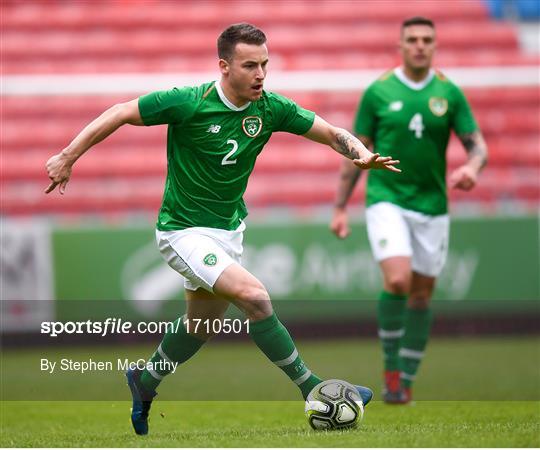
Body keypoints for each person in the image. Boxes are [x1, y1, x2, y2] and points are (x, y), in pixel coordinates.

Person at [45, 23, 401, 434]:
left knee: (201, 326)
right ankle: (314, 388)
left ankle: (144, 381)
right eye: (250, 65)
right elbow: (122, 111)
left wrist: (360, 153)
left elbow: (331, 132)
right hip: (183, 232)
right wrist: (68, 155)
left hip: (227, 232)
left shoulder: (270, 108)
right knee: (255, 297)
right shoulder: (189, 102)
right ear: (224, 66)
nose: (261, 74)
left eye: (265, 64)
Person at [330, 16, 488, 404]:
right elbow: (355, 151)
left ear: (435, 45)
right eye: (412, 39)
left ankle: (406, 381)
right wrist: (339, 207)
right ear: (400, 46)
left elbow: (477, 145)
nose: (419, 45)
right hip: (387, 198)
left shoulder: (449, 93)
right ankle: (391, 369)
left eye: (426, 39)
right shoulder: (378, 92)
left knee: (421, 295)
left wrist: (472, 167)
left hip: (433, 204)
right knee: (398, 281)